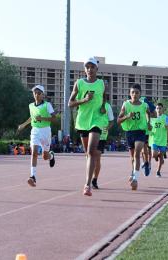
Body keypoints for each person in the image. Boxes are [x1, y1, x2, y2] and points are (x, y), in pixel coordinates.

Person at [68, 57, 106, 196]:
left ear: (97, 69)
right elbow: (70, 104)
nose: (89, 69)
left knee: (91, 152)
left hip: (97, 120)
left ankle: (87, 185)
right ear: (85, 69)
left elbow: (105, 98)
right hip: (83, 122)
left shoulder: (102, 84)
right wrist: (84, 100)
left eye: (92, 67)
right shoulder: (79, 83)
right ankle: (91, 172)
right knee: (88, 154)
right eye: (87, 67)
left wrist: (103, 107)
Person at [17, 85, 56, 187]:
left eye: (39, 93)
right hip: (35, 130)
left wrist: (42, 118)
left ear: (43, 95)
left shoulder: (47, 105)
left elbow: (54, 119)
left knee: (45, 156)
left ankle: (51, 156)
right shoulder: (31, 106)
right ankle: (32, 176)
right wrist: (23, 124)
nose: (37, 95)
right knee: (34, 152)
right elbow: (32, 117)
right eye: (35, 93)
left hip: (46, 131)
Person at [118, 83, 151, 190]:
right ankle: (133, 172)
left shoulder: (144, 105)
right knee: (132, 157)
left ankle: (135, 179)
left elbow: (148, 113)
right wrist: (127, 116)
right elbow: (118, 120)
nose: (135, 94)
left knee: (137, 154)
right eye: (133, 92)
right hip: (129, 132)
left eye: (137, 93)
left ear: (140, 94)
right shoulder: (126, 105)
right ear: (129, 93)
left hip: (140, 131)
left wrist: (149, 122)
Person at [92, 96, 114, 189]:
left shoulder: (107, 106)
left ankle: (94, 179)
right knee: (90, 156)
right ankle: (89, 177)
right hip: (90, 132)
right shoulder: (92, 104)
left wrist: (107, 128)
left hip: (101, 135)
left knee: (97, 157)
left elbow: (111, 121)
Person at [151, 103, 168, 177]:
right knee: (153, 155)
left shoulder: (166, 118)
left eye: (160, 108)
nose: (158, 110)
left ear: (162, 109)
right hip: (154, 139)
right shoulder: (152, 118)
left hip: (163, 140)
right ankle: (158, 155)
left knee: (161, 158)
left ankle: (158, 171)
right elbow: (149, 127)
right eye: (157, 108)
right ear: (155, 109)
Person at [139, 96, 156, 176]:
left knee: (147, 149)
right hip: (139, 128)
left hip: (147, 129)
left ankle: (148, 164)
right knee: (142, 149)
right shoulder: (132, 102)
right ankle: (145, 162)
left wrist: (150, 121)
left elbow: (154, 111)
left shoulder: (144, 101)